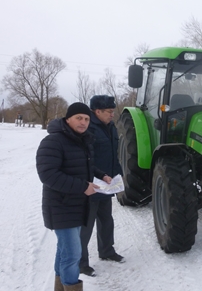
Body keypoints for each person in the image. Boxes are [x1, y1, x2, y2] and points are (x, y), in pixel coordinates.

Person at [36, 102, 107, 290]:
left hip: (77, 205)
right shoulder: (53, 141)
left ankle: (60, 287)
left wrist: (103, 175)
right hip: (60, 206)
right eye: (79, 118)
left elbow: (86, 166)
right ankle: (70, 285)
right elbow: (48, 175)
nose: (83, 122)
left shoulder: (83, 140)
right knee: (73, 254)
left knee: (64, 251)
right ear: (68, 119)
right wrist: (83, 186)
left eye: (86, 119)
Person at [79, 95, 124, 277]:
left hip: (107, 184)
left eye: (113, 111)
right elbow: (85, 158)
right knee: (86, 224)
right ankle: (81, 262)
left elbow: (113, 154)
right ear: (97, 111)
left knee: (106, 219)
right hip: (93, 184)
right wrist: (95, 177)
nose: (112, 114)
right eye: (109, 111)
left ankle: (107, 251)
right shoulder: (88, 128)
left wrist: (118, 174)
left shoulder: (111, 127)